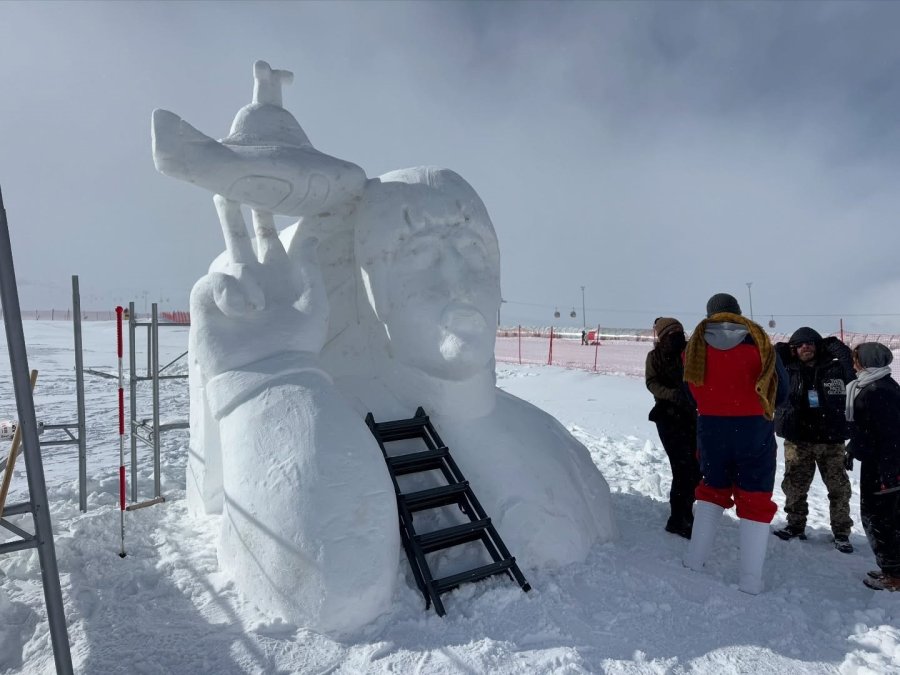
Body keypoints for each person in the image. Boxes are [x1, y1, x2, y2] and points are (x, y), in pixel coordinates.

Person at [682, 292, 788, 595]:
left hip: (711, 426)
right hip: (754, 426)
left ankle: (694, 561)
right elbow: (781, 388)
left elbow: (690, 388)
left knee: (711, 489)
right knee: (755, 496)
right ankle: (750, 580)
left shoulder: (695, 344)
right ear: (738, 311)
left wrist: (714, 402)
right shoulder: (760, 340)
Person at [772, 327, 855, 552]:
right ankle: (795, 526)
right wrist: (782, 350)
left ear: (818, 346)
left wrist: (832, 344)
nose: (805, 347)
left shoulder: (834, 368)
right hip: (799, 439)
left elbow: (851, 368)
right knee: (794, 486)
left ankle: (841, 533)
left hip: (831, 439)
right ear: (793, 349)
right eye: (799, 344)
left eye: (810, 343)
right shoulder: (786, 369)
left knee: (839, 488)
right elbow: (768, 359)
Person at [845, 342, 900, 591]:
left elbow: (891, 436)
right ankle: (891, 567)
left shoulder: (879, 390)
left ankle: (895, 575)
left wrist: (889, 473)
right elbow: (867, 430)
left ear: (867, 361)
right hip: (875, 463)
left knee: (880, 520)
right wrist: (852, 448)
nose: (854, 365)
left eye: (857, 359)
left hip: (883, 468)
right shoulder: (870, 385)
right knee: (880, 518)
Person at [645, 317, 700, 539]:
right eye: (672, 333)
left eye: (679, 331)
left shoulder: (692, 353)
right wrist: (673, 395)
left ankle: (686, 511)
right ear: (663, 336)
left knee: (696, 469)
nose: (677, 336)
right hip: (668, 417)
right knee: (682, 468)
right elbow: (651, 383)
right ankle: (679, 519)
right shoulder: (654, 357)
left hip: (692, 417)